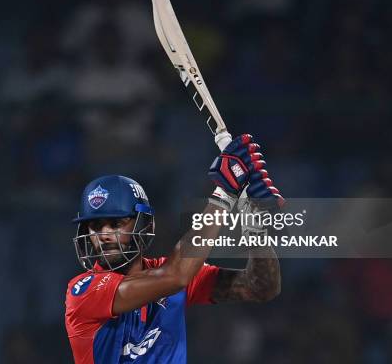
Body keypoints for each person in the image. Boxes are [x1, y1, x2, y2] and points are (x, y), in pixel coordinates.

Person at [65, 133, 283, 363]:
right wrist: (225, 194)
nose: (105, 235)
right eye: (95, 226)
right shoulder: (83, 292)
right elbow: (176, 275)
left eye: (116, 223)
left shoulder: (172, 272)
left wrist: (255, 232)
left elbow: (262, 287)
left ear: (143, 224)